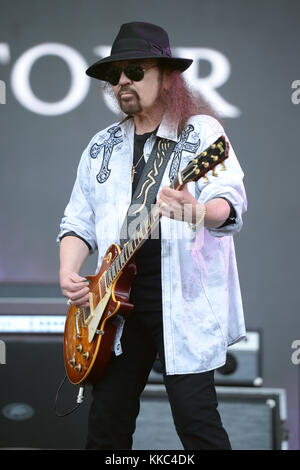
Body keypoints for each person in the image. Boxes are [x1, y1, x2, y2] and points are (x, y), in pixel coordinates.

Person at [57, 22, 247, 450]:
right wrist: (70, 272)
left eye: (135, 71)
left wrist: (195, 210)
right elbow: (77, 221)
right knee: (106, 426)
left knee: (196, 425)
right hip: (117, 307)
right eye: (116, 75)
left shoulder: (200, 133)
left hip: (181, 301)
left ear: (166, 78)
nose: (123, 81)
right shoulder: (102, 145)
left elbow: (228, 202)